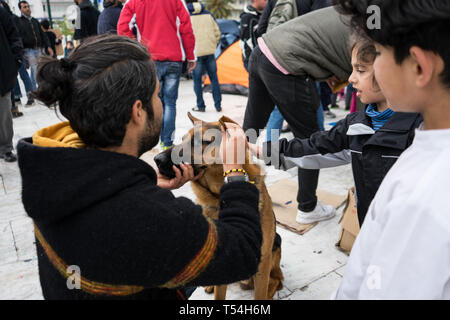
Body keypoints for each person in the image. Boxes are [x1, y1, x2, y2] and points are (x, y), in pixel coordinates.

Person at [17, 35, 262, 300]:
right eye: (157, 95)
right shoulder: (155, 221)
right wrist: (235, 172)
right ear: (138, 111)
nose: (160, 103)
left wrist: (142, 186)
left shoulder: (52, 171)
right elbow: (243, 253)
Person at [333, 0, 450, 299]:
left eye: (380, 53)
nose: (352, 78)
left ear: (419, 67)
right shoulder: (428, 143)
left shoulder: (421, 200)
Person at [249, 34, 422, 226]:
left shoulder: (421, 131)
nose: (350, 79)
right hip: (369, 227)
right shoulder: (356, 126)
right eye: (352, 69)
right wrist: (263, 151)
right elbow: (315, 147)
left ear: (393, 71)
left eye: (360, 70)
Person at [243, 6, 351, 224]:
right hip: (287, 64)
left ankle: (235, 186)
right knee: (310, 139)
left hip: (262, 51)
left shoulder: (348, 13)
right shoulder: (373, 27)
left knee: (250, 130)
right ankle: (308, 207)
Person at [118, 0, 196, 150]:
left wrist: (137, 49)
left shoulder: (134, 2)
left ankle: (152, 140)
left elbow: (123, 27)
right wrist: (191, 56)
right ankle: (167, 143)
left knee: (152, 103)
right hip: (174, 58)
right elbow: (186, 28)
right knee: (170, 103)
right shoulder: (177, 1)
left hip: (150, 59)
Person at [186, 0, 222, 113]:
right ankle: (218, 105)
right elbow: (218, 33)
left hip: (196, 54)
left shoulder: (186, 15)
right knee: (214, 79)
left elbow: (185, 34)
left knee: (197, 81)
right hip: (210, 52)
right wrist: (213, 46)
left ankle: (201, 106)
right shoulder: (208, 14)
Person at [0, 5, 23, 163]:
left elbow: (14, 35)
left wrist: (16, 59)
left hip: (2, 71)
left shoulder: (1, 11)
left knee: (3, 112)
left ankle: (5, 147)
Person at [15, 1, 52, 94]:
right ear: (20, 9)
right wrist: (22, 51)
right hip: (28, 50)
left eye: (28, 6)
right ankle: (35, 90)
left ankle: (37, 88)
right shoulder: (19, 22)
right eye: (24, 7)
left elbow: (42, 34)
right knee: (34, 69)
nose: (27, 8)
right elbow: (19, 37)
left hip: (38, 48)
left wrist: (48, 46)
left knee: (38, 68)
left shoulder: (35, 21)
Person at [239, 0, 268, 70]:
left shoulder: (260, 15)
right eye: (265, 0)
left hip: (261, 59)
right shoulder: (247, 17)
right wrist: (253, 60)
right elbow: (246, 42)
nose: (267, 2)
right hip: (253, 60)